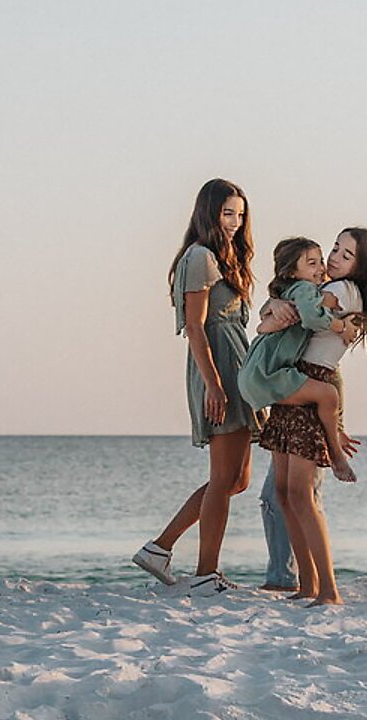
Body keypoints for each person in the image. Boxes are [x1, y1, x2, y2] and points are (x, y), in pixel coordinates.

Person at [256, 227, 367, 606]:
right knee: (286, 494)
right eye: (335, 248)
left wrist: (271, 308)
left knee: (301, 496)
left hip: (308, 381)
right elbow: (286, 303)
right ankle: (307, 585)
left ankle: (329, 589)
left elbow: (295, 310)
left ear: (362, 265)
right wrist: (272, 305)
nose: (335, 258)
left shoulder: (342, 291)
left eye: (345, 254)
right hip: (296, 382)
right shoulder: (339, 290)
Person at [132, 178, 262, 597]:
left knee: (237, 479)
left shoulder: (222, 257)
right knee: (224, 478)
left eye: (240, 215)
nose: (235, 223)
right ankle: (206, 573)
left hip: (235, 363)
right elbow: (194, 325)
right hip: (217, 366)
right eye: (228, 214)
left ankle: (160, 548)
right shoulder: (201, 257)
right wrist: (215, 385)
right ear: (208, 213)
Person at [238, 237, 360, 483]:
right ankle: (336, 454)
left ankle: (335, 447)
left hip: (256, 373)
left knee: (327, 395)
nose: (321, 268)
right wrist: (340, 326)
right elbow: (311, 318)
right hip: (266, 373)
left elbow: (265, 323)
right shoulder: (304, 290)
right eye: (312, 264)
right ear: (291, 272)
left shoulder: (294, 290)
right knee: (328, 395)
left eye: (321, 261)